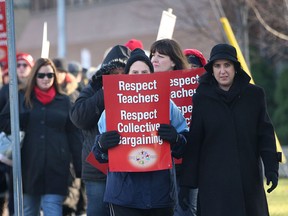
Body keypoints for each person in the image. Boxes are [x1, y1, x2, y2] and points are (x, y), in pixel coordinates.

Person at [178, 43, 280, 216]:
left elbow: (265, 135)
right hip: (214, 184)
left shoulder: (254, 96)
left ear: (235, 68)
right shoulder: (202, 98)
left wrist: (271, 168)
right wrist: (187, 184)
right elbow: (195, 141)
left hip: (247, 180)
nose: (222, 71)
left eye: (227, 65)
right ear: (211, 69)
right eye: (217, 66)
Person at [92, 48, 189, 216]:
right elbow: (98, 153)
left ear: (151, 75)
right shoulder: (113, 106)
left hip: (160, 194)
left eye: (144, 72)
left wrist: (176, 139)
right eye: (134, 72)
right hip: (124, 194)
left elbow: (186, 145)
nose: (139, 76)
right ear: (127, 75)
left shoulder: (167, 105)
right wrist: (102, 145)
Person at [0, 58, 82, 216]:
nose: (46, 79)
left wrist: (80, 166)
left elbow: (74, 135)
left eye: (50, 75)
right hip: (28, 166)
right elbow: (3, 120)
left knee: (53, 209)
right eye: (41, 75)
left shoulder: (64, 101)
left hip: (57, 166)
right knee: (30, 210)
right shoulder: (21, 98)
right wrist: (19, 122)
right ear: (34, 76)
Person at [69, 45, 131, 216]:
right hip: (98, 169)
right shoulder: (93, 89)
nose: (119, 78)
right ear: (105, 73)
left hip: (130, 167)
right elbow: (78, 118)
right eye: (114, 74)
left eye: (123, 73)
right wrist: (105, 93)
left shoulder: (137, 92)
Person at [149, 39, 198, 216]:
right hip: (155, 165)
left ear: (174, 61)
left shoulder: (192, 87)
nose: (154, 59)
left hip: (185, 164)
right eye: (152, 55)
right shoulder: (142, 87)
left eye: (160, 56)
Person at [0, 52, 34, 216]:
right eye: (18, 65)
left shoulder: (36, 88)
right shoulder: (7, 90)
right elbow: (2, 118)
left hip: (34, 146)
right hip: (12, 147)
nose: (21, 68)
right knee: (14, 185)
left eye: (25, 65)